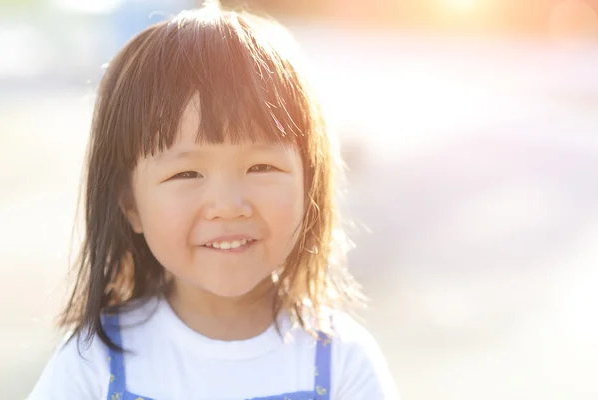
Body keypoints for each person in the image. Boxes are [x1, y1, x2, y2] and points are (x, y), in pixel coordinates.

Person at [28, 2, 398, 399]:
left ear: (309, 182)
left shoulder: (341, 360)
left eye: (261, 168)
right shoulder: (95, 364)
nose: (228, 204)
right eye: (186, 174)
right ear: (130, 203)